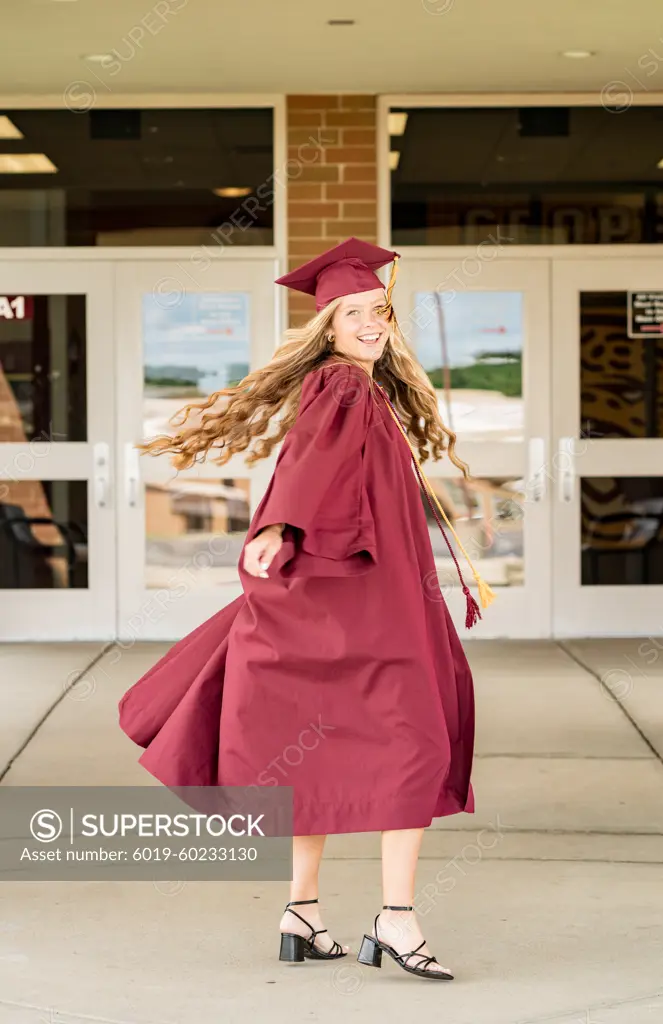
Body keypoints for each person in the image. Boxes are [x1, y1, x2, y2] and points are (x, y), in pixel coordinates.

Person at [118, 237, 491, 982]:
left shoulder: (360, 389)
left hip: (356, 597)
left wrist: (288, 528)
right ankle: (396, 919)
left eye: (378, 310)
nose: (371, 323)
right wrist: (282, 524)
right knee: (418, 746)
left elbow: (321, 468)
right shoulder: (345, 389)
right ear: (326, 325)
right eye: (353, 313)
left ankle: (303, 913)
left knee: (315, 750)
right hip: (372, 606)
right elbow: (310, 462)